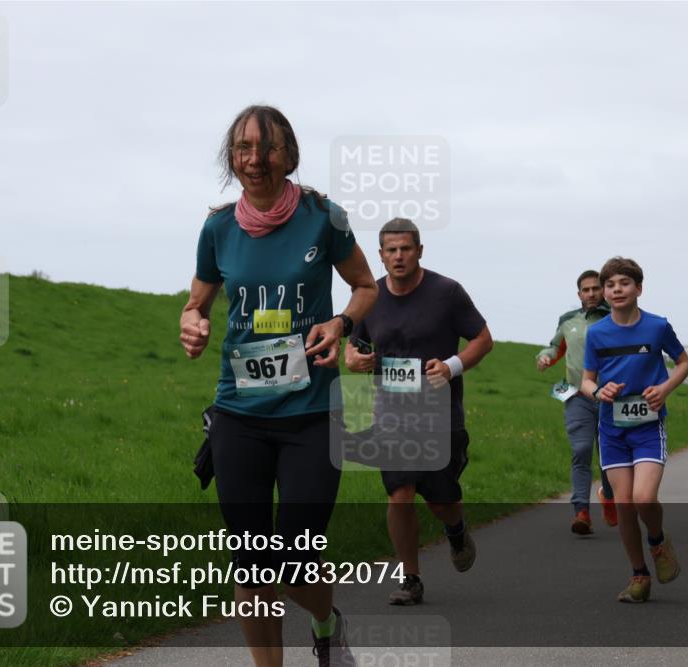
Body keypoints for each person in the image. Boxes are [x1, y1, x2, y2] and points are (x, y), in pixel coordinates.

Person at [180, 105, 378, 667]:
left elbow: (366, 286)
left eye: (267, 148)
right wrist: (192, 321)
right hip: (239, 413)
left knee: (293, 559)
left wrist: (341, 322)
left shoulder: (324, 217)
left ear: (289, 155)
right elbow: (198, 300)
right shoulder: (218, 228)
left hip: (313, 411)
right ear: (231, 157)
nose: (254, 159)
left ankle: (326, 622)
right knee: (250, 564)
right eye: (242, 148)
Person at [344, 218, 493, 606]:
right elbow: (352, 348)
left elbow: (483, 338)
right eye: (390, 250)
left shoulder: (447, 292)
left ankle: (456, 528)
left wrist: (451, 366)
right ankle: (410, 577)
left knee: (441, 500)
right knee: (400, 494)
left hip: (441, 414)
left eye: (405, 248)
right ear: (380, 255)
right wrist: (354, 361)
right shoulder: (370, 296)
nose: (398, 256)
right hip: (391, 414)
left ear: (420, 251)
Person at [580, 257, 688, 603]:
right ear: (604, 293)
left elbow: (684, 362)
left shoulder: (657, 327)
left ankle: (657, 541)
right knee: (626, 503)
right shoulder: (596, 333)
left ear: (638, 289)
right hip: (612, 428)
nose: (616, 290)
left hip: (648, 425)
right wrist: (599, 392)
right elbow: (586, 381)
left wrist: (665, 388)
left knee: (644, 498)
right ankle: (639, 575)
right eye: (610, 285)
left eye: (624, 283)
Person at [536, 270, 617, 534]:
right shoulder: (568, 320)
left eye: (596, 288)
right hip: (575, 395)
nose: (591, 293)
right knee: (581, 449)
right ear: (579, 293)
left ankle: (608, 494)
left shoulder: (615, 317)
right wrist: (545, 357)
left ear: (604, 290)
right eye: (586, 289)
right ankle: (581, 511)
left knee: (608, 454)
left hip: (609, 396)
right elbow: (555, 346)